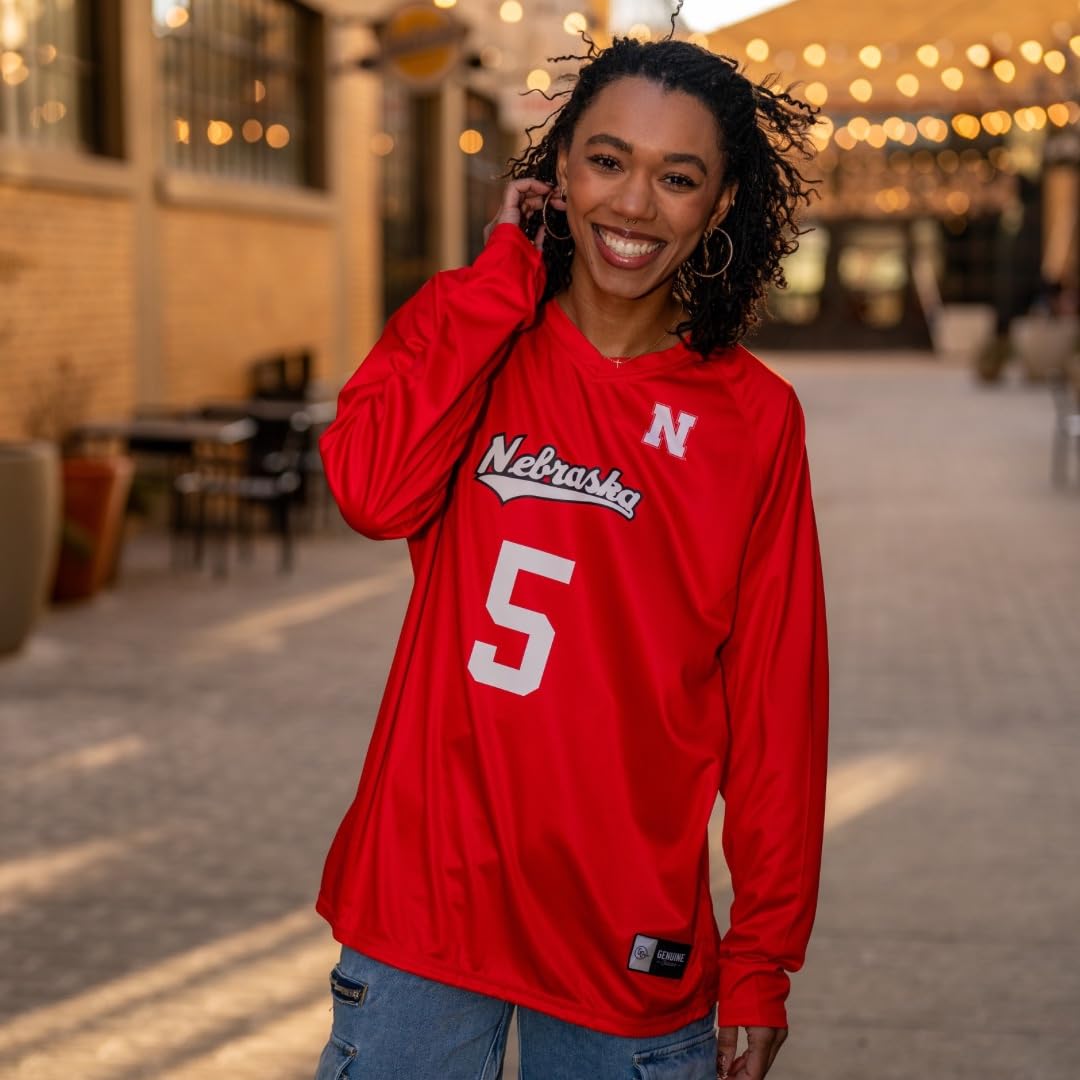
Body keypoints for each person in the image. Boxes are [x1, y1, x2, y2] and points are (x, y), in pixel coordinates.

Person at [314, 31, 827, 1080]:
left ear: (719, 205)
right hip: (428, 903)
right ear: (557, 175)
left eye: (677, 177)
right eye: (606, 161)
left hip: (623, 935)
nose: (634, 205)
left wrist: (764, 954)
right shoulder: (478, 340)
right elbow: (371, 492)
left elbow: (776, 707)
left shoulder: (753, 420)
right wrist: (506, 268)